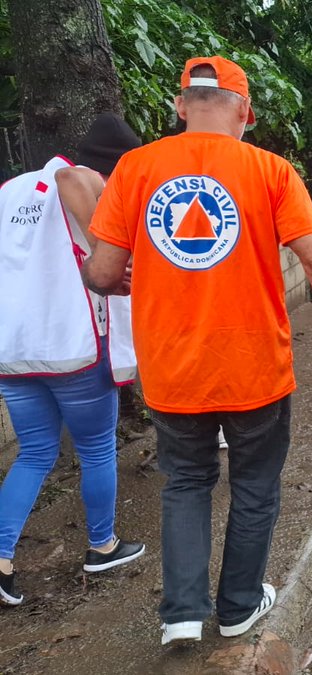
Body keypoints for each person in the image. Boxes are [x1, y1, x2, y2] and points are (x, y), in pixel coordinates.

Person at [83, 56, 312, 645]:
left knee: (185, 483)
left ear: (179, 105)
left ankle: (181, 616)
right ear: (245, 112)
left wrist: (123, 275)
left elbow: (100, 273)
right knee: (253, 485)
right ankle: (238, 607)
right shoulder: (270, 170)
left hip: (171, 372)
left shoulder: (134, 169)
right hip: (254, 372)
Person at [0, 114, 146, 607]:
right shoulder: (78, 178)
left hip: (13, 354)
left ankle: (0, 561)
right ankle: (102, 546)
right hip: (73, 349)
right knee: (97, 448)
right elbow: (71, 177)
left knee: (36, 453)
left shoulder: (11, 189)